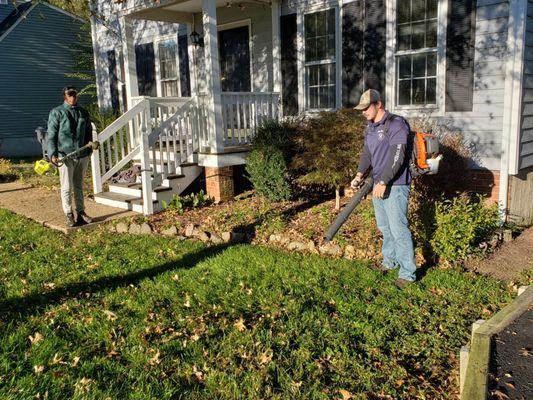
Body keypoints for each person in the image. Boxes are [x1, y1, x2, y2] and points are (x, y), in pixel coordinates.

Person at [351, 89, 416, 289]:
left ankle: (407, 274)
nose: (363, 112)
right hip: (379, 183)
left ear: (378, 104)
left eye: (366, 108)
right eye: (361, 109)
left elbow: (398, 156)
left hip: (395, 185)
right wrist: (359, 174)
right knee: (385, 228)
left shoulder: (397, 124)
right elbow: (367, 154)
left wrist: (384, 181)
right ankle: (389, 262)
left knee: (398, 229)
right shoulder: (370, 127)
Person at [47, 86, 94, 227]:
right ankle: (68, 214)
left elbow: (88, 132)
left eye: (74, 94)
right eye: (70, 94)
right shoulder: (57, 112)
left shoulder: (83, 112)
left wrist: (90, 148)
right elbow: (51, 135)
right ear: (65, 96)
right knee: (66, 187)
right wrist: (53, 154)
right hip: (65, 155)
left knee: (79, 186)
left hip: (81, 154)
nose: (73, 97)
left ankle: (80, 213)